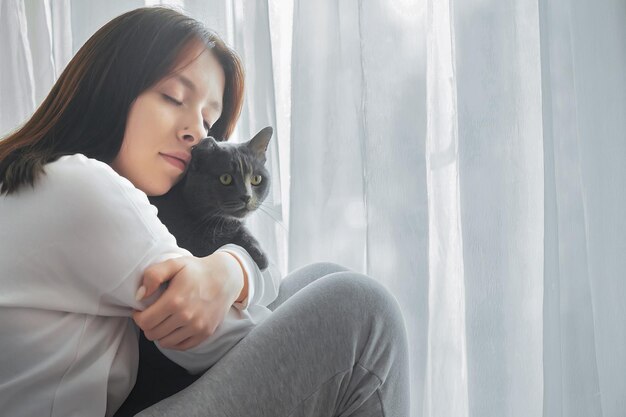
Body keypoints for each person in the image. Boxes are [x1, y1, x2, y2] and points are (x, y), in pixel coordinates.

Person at [0, 6, 410, 417]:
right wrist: (232, 271)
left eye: (208, 120)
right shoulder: (84, 190)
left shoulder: (36, 180)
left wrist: (231, 270)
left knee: (320, 279)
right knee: (361, 310)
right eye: (173, 97)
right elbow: (225, 341)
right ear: (110, 87)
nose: (196, 132)